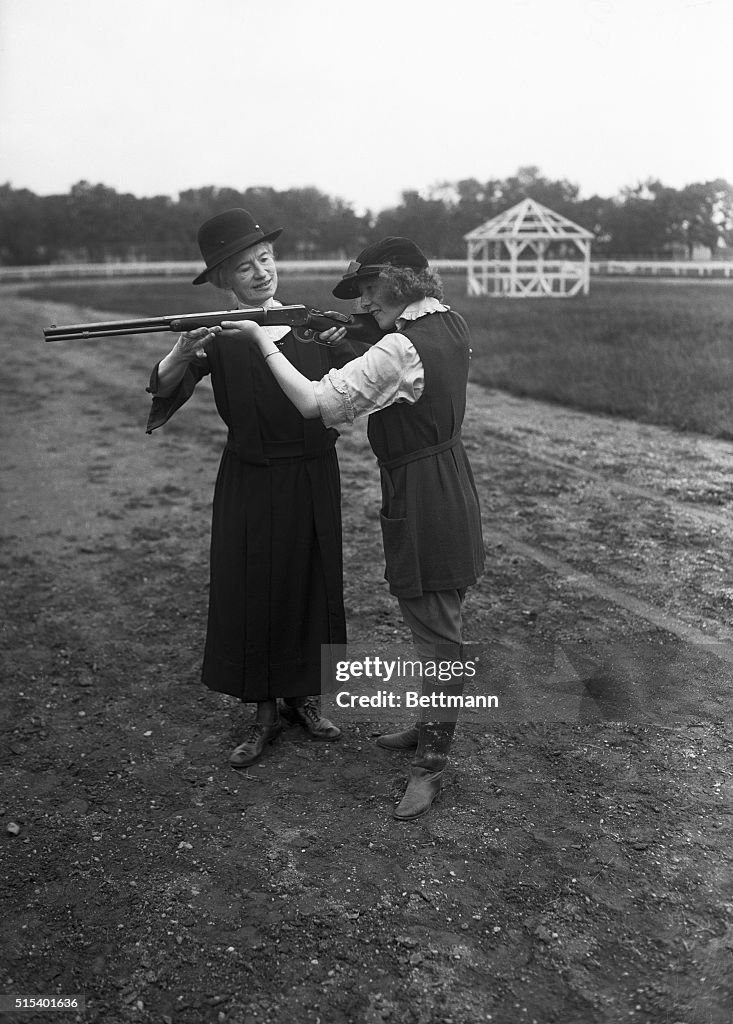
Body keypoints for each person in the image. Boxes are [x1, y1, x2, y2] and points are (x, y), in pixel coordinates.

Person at [225, 237, 485, 819]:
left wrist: (263, 342)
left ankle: (432, 765)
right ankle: (427, 728)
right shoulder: (448, 321)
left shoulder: (399, 347)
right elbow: (392, 351)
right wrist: (346, 336)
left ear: (397, 285)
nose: (364, 303)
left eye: (370, 290)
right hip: (447, 477)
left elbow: (316, 404)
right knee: (433, 618)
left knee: (437, 631)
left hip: (423, 490)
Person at [145, 208, 348, 768]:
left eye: (265, 259)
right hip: (251, 476)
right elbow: (164, 386)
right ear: (223, 280)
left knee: (310, 581)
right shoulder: (218, 335)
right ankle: (263, 713)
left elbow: (362, 370)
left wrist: (340, 338)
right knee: (253, 585)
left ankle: (303, 699)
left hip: (312, 473)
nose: (260, 273)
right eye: (244, 267)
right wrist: (179, 351)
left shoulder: (310, 325)